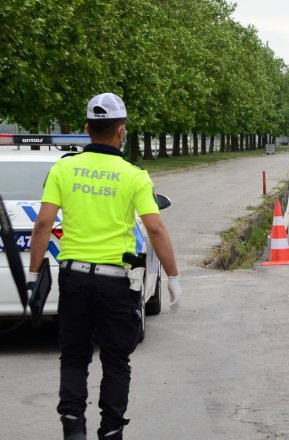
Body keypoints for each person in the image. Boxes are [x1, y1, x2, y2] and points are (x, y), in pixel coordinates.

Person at [28, 92, 182, 440]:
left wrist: (35, 273)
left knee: (74, 356)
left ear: (86, 129)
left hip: (74, 279)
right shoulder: (134, 175)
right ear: (121, 131)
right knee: (115, 360)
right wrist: (172, 276)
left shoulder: (63, 168)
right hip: (117, 283)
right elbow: (155, 227)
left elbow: (42, 224)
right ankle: (111, 430)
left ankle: (73, 427)